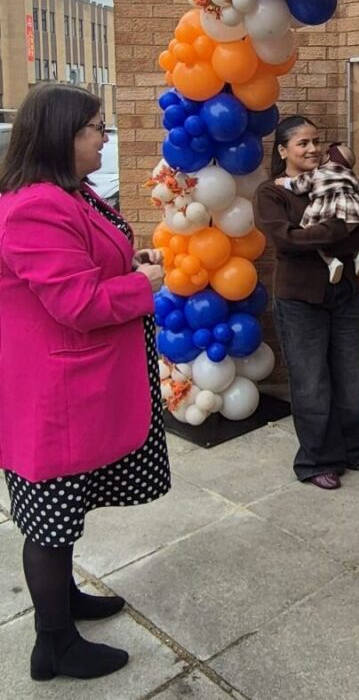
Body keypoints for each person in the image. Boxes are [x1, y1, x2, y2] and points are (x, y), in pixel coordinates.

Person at [0, 84, 169, 682]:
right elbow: (75, 300)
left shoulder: (75, 194)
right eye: (95, 127)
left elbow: (88, 264)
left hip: (77, 386)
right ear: (60, 137)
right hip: (51, 396)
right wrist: (142, 287)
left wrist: (133, 262)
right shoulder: (33, 206)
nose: (105, 137)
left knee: (63, 516)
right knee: (49, 521)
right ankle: (54, 645)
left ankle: (62, 600)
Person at [255, 115, 359, 490]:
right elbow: (285, 242)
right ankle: (316, 460)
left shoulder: (335, 178)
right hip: (299, 299)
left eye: (316, 142)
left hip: (345, 292)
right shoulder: (271, 193)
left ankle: (356, 448)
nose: (312, 149)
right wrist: (338, 232)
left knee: (352, 377)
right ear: (283, 151)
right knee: (311, 381)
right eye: (302, 143)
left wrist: (319, 237)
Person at [276, 140, 359, 284]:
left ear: (328, 157)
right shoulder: (350, 175)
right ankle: (357, 253)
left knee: (317, 238)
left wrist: (284, 182)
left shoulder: (317, 173)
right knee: (348, 235)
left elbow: (299, 184)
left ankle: (331, 261)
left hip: (326, 211)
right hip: (352, 212)